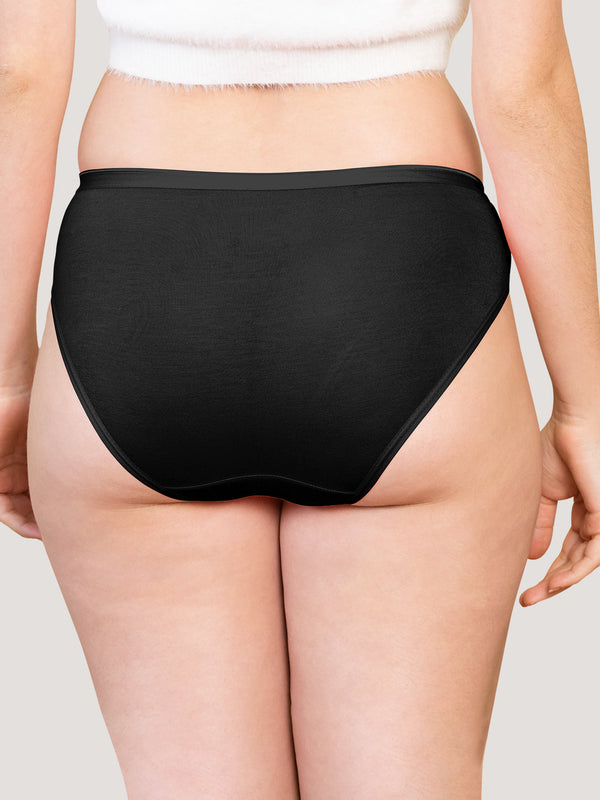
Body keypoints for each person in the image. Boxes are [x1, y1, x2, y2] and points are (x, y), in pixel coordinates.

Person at [1, 0, 599, 797]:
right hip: (398, 267)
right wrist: (585, 406)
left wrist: (7, 381)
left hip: (139, 275)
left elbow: (17, 75)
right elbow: (525, 91)